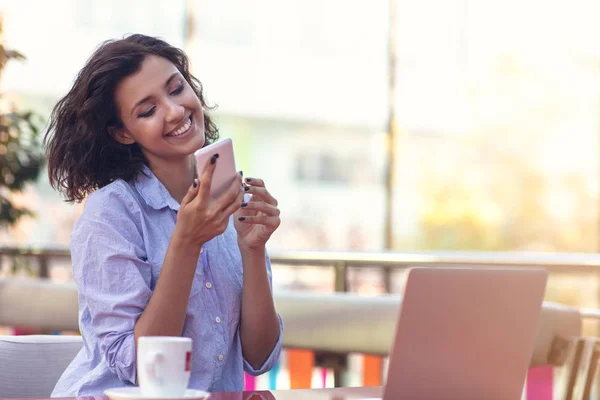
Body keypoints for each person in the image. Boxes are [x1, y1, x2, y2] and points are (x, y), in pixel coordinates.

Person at [44, 34, 283, 396]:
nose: (174, 111)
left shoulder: (228, 201)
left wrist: (251, 251)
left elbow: (259, 357)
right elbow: (140, 367)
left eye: (176, 89)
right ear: (123, 133)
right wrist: (186, 241)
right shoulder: (110, 213)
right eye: (147, 110)